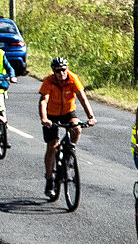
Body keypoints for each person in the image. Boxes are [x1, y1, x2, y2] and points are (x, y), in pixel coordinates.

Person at [38, 56, 96, 197]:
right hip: (51, 115)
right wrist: (44, 118)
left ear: (67, 69)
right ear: (53, 71)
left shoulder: (72, 78)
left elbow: (82, 97)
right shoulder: (49, 81)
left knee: (76, 128)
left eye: (64, 70)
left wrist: (90, 116)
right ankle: (49, 179)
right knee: (52, 146)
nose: (61, 73)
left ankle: (69, 152)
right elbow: (43, 101)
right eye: (58, 71)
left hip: (68, 112)